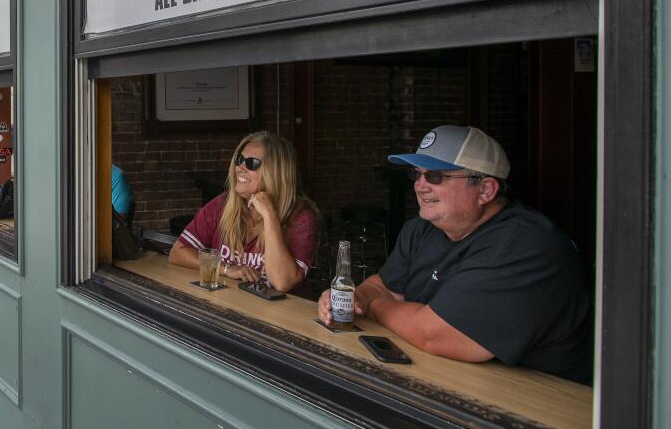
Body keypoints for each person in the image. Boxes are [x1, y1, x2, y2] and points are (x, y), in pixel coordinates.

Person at [317, 125, 592, 384]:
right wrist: (353, 299)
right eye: (417, 174)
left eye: (435, 176)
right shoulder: (421, 228)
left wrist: (373, 307)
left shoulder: (524, 244)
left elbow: (434, 334)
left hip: (542, 405)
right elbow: (382, 286)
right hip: (451, 380)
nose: (420, 185)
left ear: (485, 190)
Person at [169, 131, 319, 294]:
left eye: (252, 163)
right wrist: (227, 269)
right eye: (239, 160)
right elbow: (178, 252)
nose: (240, 168)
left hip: (280, 315)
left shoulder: (302, 218)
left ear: (276, 173)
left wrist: (270, 217)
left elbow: (282, 283)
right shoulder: (223, 204)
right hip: (235, 304)